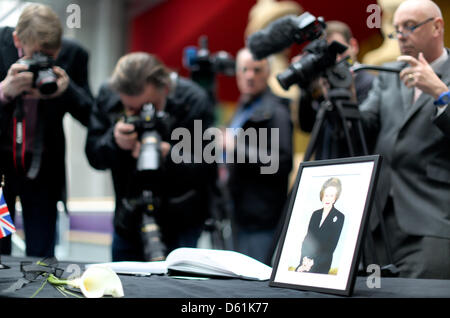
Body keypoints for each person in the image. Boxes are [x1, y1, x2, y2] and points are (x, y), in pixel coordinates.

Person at [85, 52, 216, 261]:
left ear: (165, 88)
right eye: (131, 110)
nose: (141, 116)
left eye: (149, 107)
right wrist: (114, 141)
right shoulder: (108, 96)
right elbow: (94, 156)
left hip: (180, 222)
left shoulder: (193, 100)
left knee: (177, 292)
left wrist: (169, 155)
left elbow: (208, 167)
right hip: (128, 220)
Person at [359, 0, 450, 279]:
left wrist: (439, 92)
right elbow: (362, 127)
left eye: (409, 27)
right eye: (396, 29)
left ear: (437, 27)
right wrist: (336, 94)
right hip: (378, 223)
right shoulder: (388, 75)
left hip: (432, 221)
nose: (401, 36)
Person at [0, 4, 93, 257]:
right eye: (36, 54)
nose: (44, 62)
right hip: (1, 175)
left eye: (51, 56)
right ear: (18, 39)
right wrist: (4, 92)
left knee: (41, 261)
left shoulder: (74, 56)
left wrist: (68, 90)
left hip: (43, 174)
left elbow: (92, 116)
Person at [225, 47, 293, 265]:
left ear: (268, 73)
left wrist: (235, 147)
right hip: (238, 213)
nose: (249, 76)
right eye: (244, 69)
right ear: (237, 73)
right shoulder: (243, 107)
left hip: (262, 218)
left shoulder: (276, 110)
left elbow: (282, 162)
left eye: (257, 70)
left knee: (255, 284)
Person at [298, 21, 375, 159]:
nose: (336, 59)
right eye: (329, 54)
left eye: (340, 50)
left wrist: (347, 93)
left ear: (354, 46)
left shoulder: (369, 83)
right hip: (323, 164)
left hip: (354, 166)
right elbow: (306, 126)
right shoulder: (323, 82)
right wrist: (307, 90)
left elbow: (359, 134)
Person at [296, 178, 345, 274]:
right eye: (326, 195)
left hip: (322, 262)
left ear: (336, 197)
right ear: (322, 195)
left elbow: (331, 246)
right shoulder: (315, 214)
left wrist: (313, 261)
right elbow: (308, 238)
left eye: (331, 196)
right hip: (306, 260)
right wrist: (304, 259)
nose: (328, 198)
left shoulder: (339, 216)